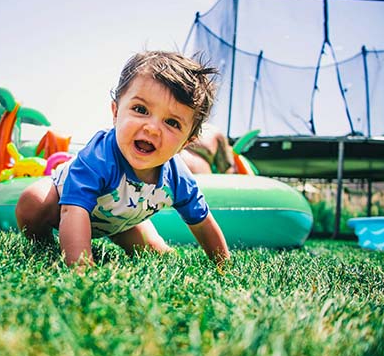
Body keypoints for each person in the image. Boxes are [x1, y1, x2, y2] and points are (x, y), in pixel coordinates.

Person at [16, 51, 230, 268]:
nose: (152, 128)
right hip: (65, 203)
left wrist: (224, 265)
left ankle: (137, 241)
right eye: (141, 109)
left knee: (158, 256)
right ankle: (44, 245)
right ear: (116, 112)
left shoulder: (177, 176)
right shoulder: (99, 157)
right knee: (33, 202)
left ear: (185, 143)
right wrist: (81, 269)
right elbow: (73, 210)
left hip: (121, 221)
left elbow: (203, 222)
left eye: (172, 123)